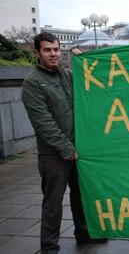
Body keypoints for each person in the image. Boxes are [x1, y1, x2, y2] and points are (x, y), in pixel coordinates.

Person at [22, 32, 106, 253]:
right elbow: (43, 123)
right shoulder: (32, 83)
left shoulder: (67, 75)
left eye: (56, 49)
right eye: (47, 50)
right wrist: (66, 149)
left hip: (78, 150)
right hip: (53, 155)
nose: (53, 54)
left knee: (81, 196)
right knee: (53, 203)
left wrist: (81, 61)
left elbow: (92, 83)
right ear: (37, 52)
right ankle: (49, 246)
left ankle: (84, 232)